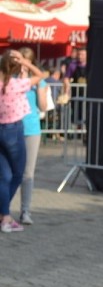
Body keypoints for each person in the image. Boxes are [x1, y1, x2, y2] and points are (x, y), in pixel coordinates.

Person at [1, 49, 48, 233]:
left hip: (3, 129)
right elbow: (41, 74)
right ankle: (4, 214)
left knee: (4, 176)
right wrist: (25, 63)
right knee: (18, 173)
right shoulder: (17, 84)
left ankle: (4, 215)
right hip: (14, 129)